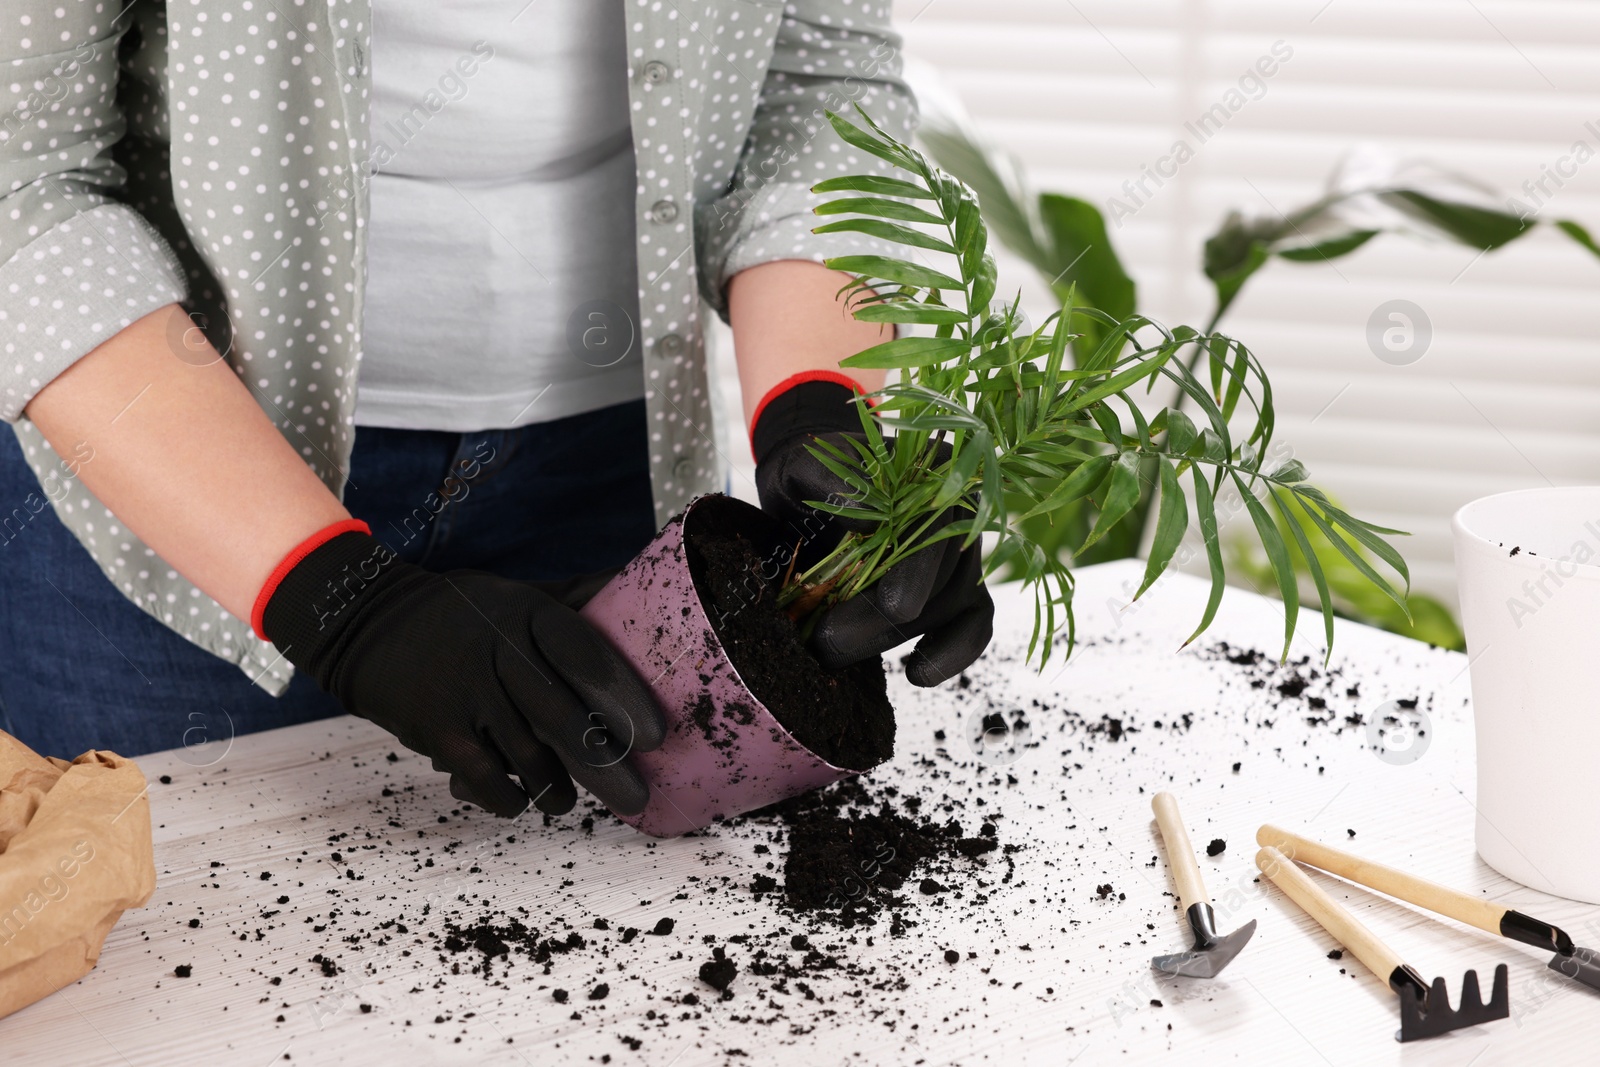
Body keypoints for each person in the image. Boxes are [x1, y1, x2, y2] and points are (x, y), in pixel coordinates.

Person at [0, 0, 993, 819]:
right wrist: (344, 606)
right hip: (183, 503)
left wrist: (818, 407)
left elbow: (815, 83)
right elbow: (24, 179)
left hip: (614, 472)